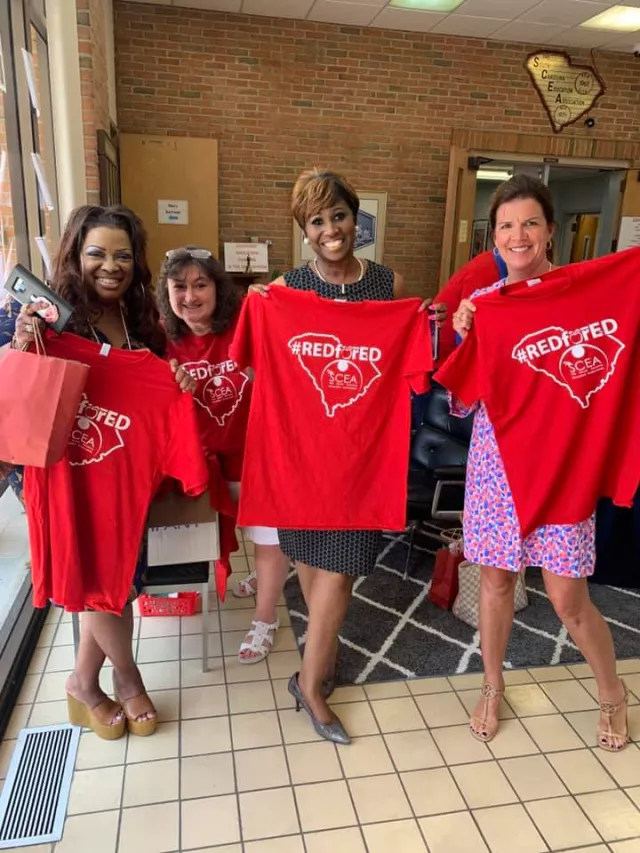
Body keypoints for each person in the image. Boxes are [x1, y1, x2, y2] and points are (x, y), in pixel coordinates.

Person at [248, 168, 445, 744]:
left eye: (339, 216)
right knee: (312, 562)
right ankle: (321, 666)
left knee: (340, 570)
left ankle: (309, 685)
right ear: (303, 230)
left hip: (362, 456)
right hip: (301, 455)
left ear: (356, 220)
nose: (330, 229)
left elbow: (410, 365)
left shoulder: (387, 284)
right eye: (317, 221)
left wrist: (423, 324)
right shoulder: (285, 290)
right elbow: (266, 372)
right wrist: (261, 309)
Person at [1, 204, 194, 739]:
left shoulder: (139, 318)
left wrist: (173, 381)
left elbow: (156, 376)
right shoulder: (46, 315)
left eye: (123, 255)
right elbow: (14, 387)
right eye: (97, 253)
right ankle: (127, 679)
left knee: (115, 576)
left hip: (118, 470)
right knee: (95, 575)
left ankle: (83, 682)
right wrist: (21, 341)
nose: (111, 265)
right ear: (74, 254)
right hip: (60, 465)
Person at [452, 175, 628, 751]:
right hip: (497, 465)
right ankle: (492, 685)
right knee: (496, 582)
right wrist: (465, 338)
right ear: (493, 237)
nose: (517, 235)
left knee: (567, 599)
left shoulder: (590, 293)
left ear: (551, 231)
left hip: (562, 466)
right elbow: (464, 398)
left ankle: (612, 693)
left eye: (529, 223)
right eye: (505, 226)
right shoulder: (483, 306)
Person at [156, 247, 290, 663]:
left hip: (258, 456)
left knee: (268, 541)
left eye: (201, 285)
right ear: (167, 292)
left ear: (218, 289)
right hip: (200, 464)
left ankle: (266, 618)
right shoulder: (159, 338)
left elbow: (288, 297)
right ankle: (256, 579)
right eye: (180, 287)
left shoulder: (245, 325)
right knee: (213, 537)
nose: (190, 297)